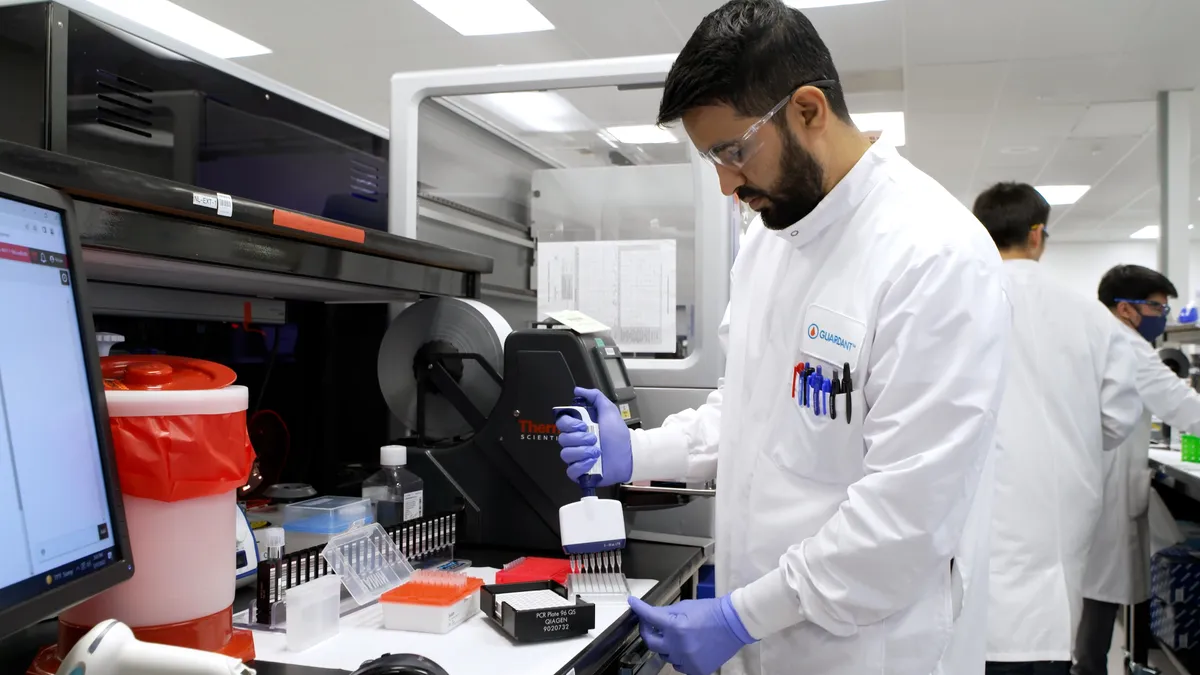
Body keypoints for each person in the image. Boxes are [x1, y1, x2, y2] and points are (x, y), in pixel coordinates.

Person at [555, 1, 1011, 673]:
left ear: (807, 110)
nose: (725, 183)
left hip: (872, 650)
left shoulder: (934, 255)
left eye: (734, 151)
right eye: (711, 157)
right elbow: (748, 409)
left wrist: (740, 615)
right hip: (763, 639)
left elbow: (905, 518)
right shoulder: (768, 240)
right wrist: (639, 449)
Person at [969, 183, 1141, 675]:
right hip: (1059, 511)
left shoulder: (957, 302)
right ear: (1037, 234)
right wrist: (1073, 440)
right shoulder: (1091, 316)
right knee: (1043, 634)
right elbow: (1118, 418)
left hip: (974, 514)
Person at [1074, 265, 1200, 675]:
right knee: (1098, 594)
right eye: (1157, 307)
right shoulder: (1129, 349)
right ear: (1127, 309)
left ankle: (1089, 665)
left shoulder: (1095, 337)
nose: (1162, 316)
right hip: (1106, 486)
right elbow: (1183, 406)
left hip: (1089, 482)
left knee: (1093, 591)